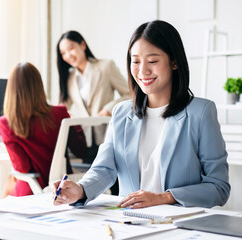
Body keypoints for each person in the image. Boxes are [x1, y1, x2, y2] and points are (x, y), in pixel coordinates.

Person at [53, 20, 230, 209]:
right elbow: (104, 169)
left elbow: (218, 187)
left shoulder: (201, 113)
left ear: (174, 62)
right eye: (135, 61)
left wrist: (164, 197)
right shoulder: (121, 113)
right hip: (131, 224)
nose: (143, 71)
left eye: (153, 61)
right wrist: (80, 189)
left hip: (177, 225)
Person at [0, 62, 87, 197]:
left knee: (7, 189)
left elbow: (23, 168)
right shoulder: (60, 112)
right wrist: (75, 123)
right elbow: (81, 149)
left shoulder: (6, 122)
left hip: (32, 191)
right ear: (39, 86)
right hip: (63, 187)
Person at [57, 30, 130, 149]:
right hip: (84, 141)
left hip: (107, 136)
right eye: (63, 53)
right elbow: (63, 108)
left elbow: (130, 94)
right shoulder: (69, 78)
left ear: (82, 45)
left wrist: (110, 108)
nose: (68, 55)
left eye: (71, 48)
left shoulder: (106, 66)